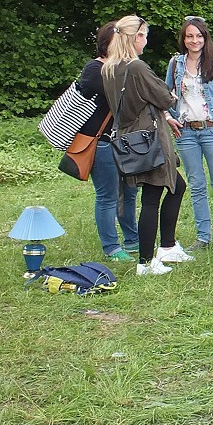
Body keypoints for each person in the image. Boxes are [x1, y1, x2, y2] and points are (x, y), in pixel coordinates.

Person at [102, 15, 194, 276]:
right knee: (153, 197)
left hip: (130, 139)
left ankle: (166, 246)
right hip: (149, 141)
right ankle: (146, 261)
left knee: (177, 186)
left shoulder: (109, 68)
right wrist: (169, 96)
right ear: (135, 37)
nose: (146, 40)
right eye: (143, 35)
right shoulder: (137, 68)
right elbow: (166, 98)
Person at [165, 16, 213, 253]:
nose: (194, 40)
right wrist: (169, 117)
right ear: (183, 39)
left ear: (205, 37)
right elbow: (165, 95)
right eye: (189, 36)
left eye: (198, 35)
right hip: (186, 132)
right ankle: (203, 236)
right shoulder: (176, 64)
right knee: (196, 184)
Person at [77, 22, 139, 262]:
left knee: (130, 192)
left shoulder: (125, 68)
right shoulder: (95, 69)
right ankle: (112, 247)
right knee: (108, 195)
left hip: (126, 142)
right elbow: (124, 97)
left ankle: (132, 240)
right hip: (101, 142)